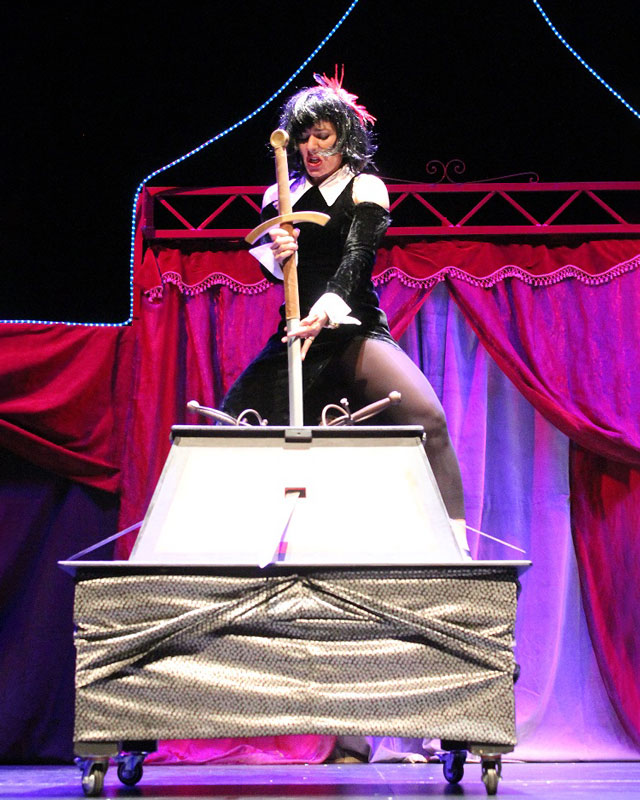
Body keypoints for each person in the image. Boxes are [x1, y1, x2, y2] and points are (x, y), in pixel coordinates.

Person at [222, 69, 469, 553]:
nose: (311, 148)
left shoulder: (364, 186)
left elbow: (358, 258)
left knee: (428, 417)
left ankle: (457, 549)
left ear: (345, 137)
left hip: (352, 326)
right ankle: (239, 548)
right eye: (303, 138)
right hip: (298, 332)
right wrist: (279, 253)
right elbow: (274, 274)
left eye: (322, 135)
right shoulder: (280, 193)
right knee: (233, 426)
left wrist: (327, 309)